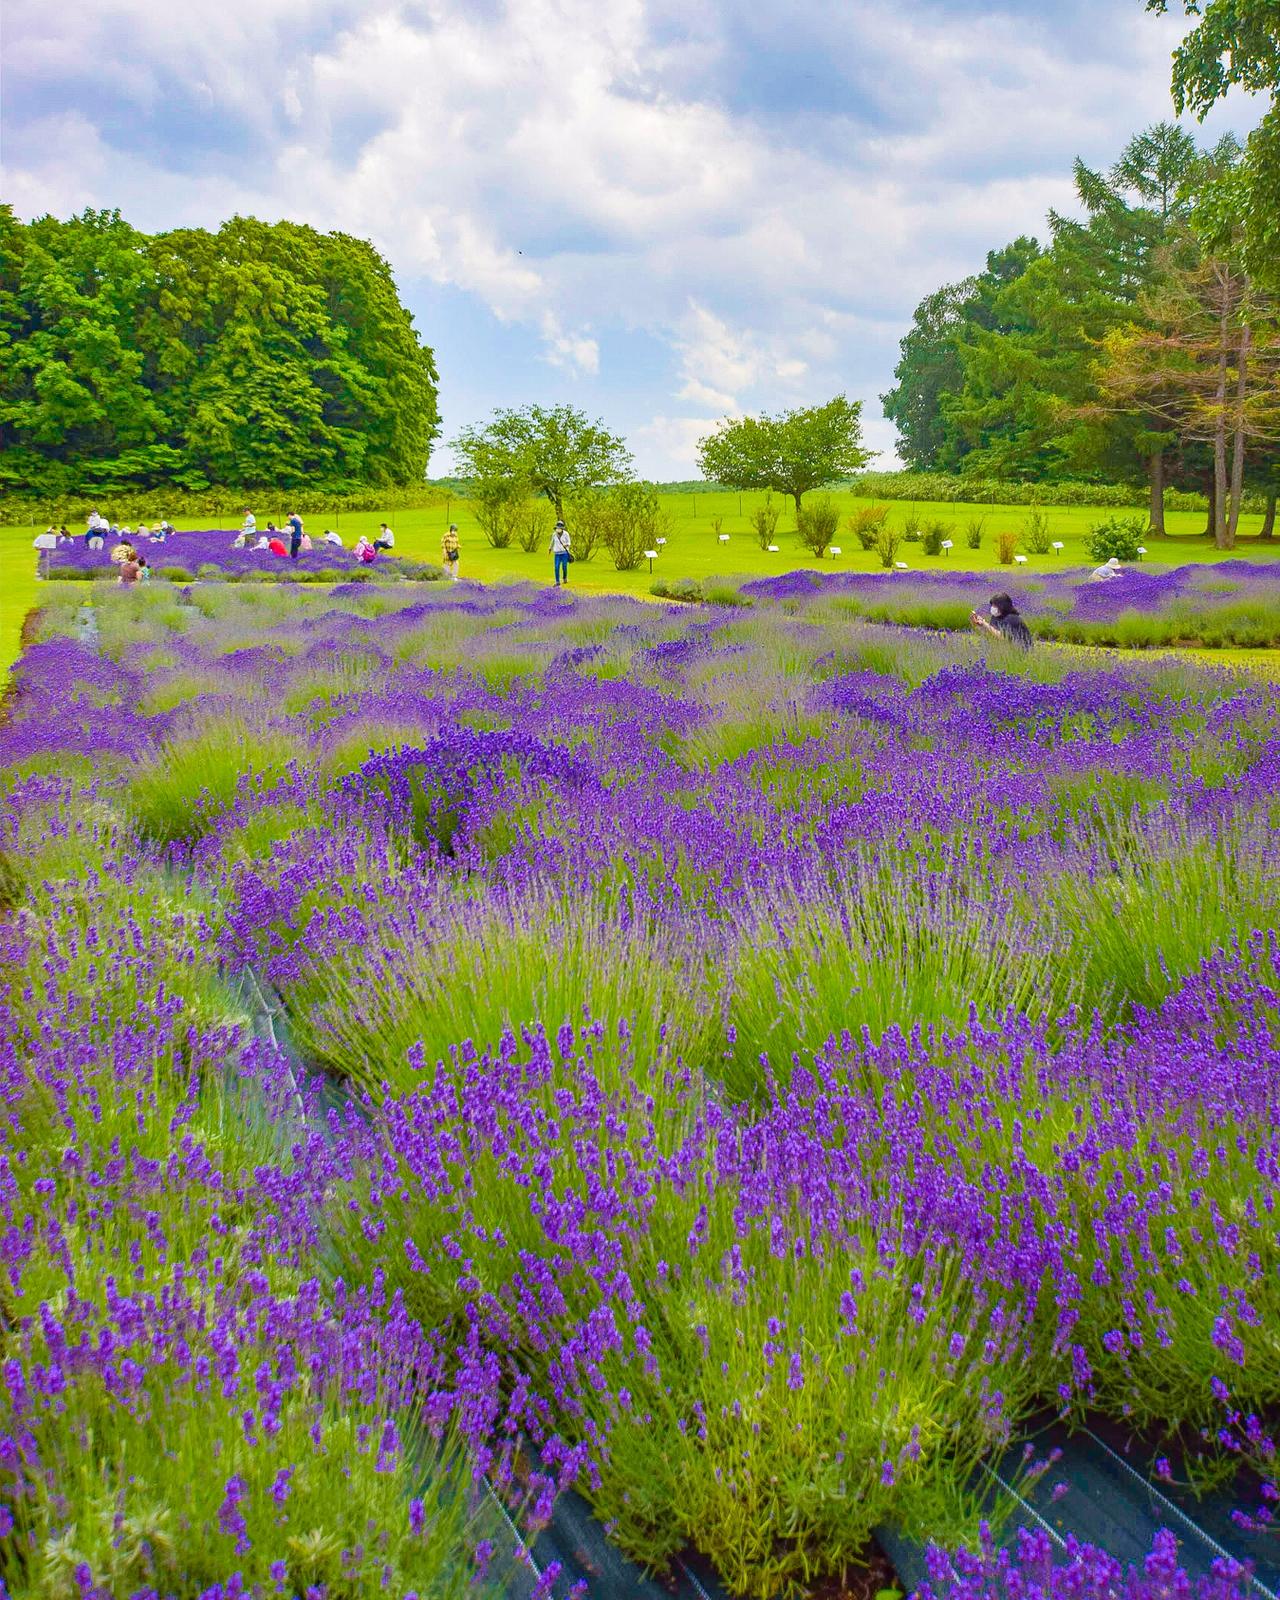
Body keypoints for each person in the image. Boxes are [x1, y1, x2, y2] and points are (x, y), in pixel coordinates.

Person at [551, 519, 572, 586]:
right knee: (556, 567)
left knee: (564, 566)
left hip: (564, 553)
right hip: (557, 553)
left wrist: (565, 545)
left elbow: (569, 543)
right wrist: (550, 548)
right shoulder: (554, 534)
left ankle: (565, 578)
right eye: (557, 528)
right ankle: (557, 581)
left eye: (560, 528)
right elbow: (552, 542)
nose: (558, 529)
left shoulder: (566, 534)